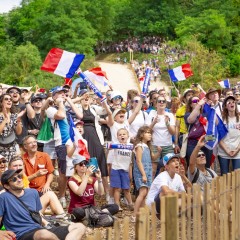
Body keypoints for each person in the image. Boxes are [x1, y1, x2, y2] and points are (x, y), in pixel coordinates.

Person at [0, 169, 86, 240]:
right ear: (7, 186)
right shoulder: (3, 198)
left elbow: (37, 214)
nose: (19, 179)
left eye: (19, 176)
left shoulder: (33, 193)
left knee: (79, 227)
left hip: (39, 229)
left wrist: (47, 223)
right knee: (44, 235)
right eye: (14, 179)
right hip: (22, 234)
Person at [22, 135, 66, 216]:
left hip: (42, 189)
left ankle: (62, 217)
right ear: (25, 146)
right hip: (29, 191)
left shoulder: (45, 156)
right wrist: (35, 175)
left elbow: (50, 173)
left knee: (50, 193)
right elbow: (23, 181)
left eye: (35, 142)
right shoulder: (22, 159)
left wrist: (47, 184)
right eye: (30, 143)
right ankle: (44, 212)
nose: (34, 144)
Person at [68, 156, 119, 221]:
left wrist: (99, 179)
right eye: (81, 164)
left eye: (85, 163)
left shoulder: (92, 179)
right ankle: (98, 216)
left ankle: (94, 216)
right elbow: (79, 192)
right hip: (79, 208)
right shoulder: (72, 180)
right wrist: (86, 176)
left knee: (115, 207)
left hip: (91, 208)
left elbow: (101, 193)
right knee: (78, 212)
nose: (83, 165)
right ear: (75, 167)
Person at [132, 126, 161, 222]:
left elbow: (153, 158)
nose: (149, 134)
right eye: (147, 132)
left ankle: (142, 213)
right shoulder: (139, 146)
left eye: (150, 133)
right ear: (141, 134)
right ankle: (135, 214)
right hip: (141, 172)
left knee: (145, 194)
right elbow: (139, 161)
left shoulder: (147, 146)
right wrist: (143, 174)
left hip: (147, 172)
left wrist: (159, 152)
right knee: (142, 192)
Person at [146, 95, 175, 177]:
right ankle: (151, 188)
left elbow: (173, 132)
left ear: (166, 104)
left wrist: (167, 123)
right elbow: (146, 130)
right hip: (155, 144)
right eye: (159, 101)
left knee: (168, 168)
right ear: (156, 104)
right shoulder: (152, 114)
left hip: (167, 145)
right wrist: (154, 122)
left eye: (163, 101)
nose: (161, 103)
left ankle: (165, 187)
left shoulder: (170, 115)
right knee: (153, 169)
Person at [184, 96, 212, 167]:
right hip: (193, 144)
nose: (197, 102)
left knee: (207, 166)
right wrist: (198, 105)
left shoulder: (206, 114)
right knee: (193, 166)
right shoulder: (187, 114)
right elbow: (190, 120)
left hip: (205, 142)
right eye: (194, 101)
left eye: (198, 100)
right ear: (190, 105)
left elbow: (211, 129)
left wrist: (211, 141)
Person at [110, 128, 134, 210]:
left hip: (125, 170)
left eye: (124, 134)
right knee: (117, 188)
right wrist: (109, 146)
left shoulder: (131, 146)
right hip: (116, 169)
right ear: (117, 137)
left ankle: (130, 204)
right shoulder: (116, 144)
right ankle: (117, 205)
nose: (122, 136)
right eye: (120, 135)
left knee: (126, 188)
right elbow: (109, 147)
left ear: (127, 136)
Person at [218, 96, 240, 175]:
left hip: (237, 152)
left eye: (233, 102)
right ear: (226, 106)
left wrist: (237, 150)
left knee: (237, 176)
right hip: (224, 152)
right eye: (229, 102)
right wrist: (226, 150)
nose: (231, 103)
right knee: (225, 176)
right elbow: (218, 137)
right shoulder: (221, 119)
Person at [0, 94, 23, 161]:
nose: (9, 101)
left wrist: (18, 122)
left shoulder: (14, 115)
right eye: (6, 99)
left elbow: (19, 132)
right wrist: (5, 119)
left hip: (13, 147)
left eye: (10, 99)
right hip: (1, 148)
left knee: (15, 169)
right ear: (1, 102)